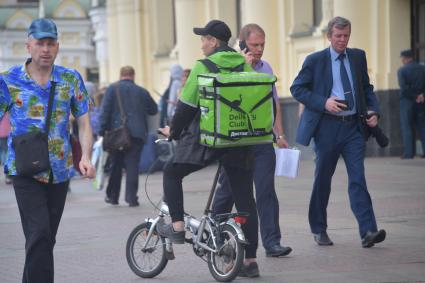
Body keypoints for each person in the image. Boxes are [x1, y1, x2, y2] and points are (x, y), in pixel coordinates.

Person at [156, 19, 260, 277]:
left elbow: (186, 107)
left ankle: (178, 226)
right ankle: (251, 262)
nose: (202, 44)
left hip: (209, 142)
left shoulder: (203, 66)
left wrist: (174, 132)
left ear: (214, 41)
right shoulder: (242, 63)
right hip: (239, 139)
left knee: (171, 173)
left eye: (204, 39)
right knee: (246, 198)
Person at [0, 18, 95, 283]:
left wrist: (86, 156)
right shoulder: (8, 81)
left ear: (57, 47)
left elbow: (85, 122)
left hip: (60, 171)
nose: (45, 49)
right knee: (39, 233)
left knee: (44, 239)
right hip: (24, 171)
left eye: (50, 43)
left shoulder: (70, 79)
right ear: (28, 45)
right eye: (40, 43)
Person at [290, 16, 386, 248]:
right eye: (338, 36)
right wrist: (324, 102)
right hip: (327, 128)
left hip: (353, 127)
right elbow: (297, 89)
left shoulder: (357, 56)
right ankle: (319, 229)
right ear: (329, 36)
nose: (342, 40)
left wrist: (373, 110)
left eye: (346, 36)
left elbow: (366, 88)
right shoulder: (315, 60)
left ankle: (368, 231)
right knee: (323, 179)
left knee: (358, 179)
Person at [211, 23, 292, 259]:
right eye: (255, 45)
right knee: (227, 193)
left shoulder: (266, 68)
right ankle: (215, 235)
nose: (259, 49)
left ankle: (272, 242)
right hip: (236, 142)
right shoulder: (230, 65)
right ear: (243, 43)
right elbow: (224, 99)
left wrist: (280, 134)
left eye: (262, 45)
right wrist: (242, 69)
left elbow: (272, 103)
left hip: (262, 140)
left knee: (266, 191)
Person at [99, 66, 157, 207]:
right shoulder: (142, 91)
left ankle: (113, 197)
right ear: (133, 75)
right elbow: (153, 110)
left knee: (116, 165)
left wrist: (102, 131)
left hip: (117, 134)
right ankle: (131, 198)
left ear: (121, 75)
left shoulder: (112, 89)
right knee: (132, 166)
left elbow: (105, 111)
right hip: (137, 134)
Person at [397, 49, 425, 159]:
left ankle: (409, 153)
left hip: (407, 102)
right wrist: (421, 95)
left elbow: (404, 88)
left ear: (405, 58)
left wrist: (414, 96)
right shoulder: (423, 69)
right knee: (422, 127)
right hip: (421, 102)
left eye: (402, 58)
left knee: (407, 127)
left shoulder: (402, 70)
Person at [0, 113, 12, 184]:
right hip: (8, 133)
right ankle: (8, 174)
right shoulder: (9, 109)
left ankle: (8, 174)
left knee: (3, 152)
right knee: (6, 152)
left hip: (4, 134)